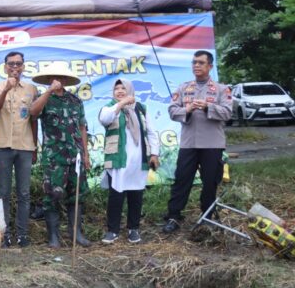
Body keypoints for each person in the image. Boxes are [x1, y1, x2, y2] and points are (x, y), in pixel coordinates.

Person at [162, 50, 232, 234]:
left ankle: (207, 216)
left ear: (210, 66)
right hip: (189, 144)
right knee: (181, 180)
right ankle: (174, 216)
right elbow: (171, 111)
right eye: (194, 63)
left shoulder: (222, 89)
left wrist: (209, 106)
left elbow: (227, 113)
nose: (196, 66)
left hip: (212, 144)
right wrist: (188, 109)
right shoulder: (183, 88)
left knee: (210, 182)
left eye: (201, 63)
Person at [29, 63, 91, 248]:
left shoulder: (75, 100)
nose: (58, 80)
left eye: (62, 77)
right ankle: (53, 237)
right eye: (54, 77)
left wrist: (86, 154)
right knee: (53, 195)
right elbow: (33, 112)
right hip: (54, 157)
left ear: (66, 80)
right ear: (49, 79)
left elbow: (82, 127)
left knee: (77, 194)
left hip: (76, 156)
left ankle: (76, 234)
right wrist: (48, 91)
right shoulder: (43, 99)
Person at [99, 79, 160, 244]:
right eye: (116, 88)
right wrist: (121, 104)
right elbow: (105, 119)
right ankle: (112, 230)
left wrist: (154, 153)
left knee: (136, 195)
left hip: (138, 160)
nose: (119, 91)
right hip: (119, 160)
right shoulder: (110, 107)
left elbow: (151, 132)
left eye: (123, 88)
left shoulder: (141, 108)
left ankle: (133, 229)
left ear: (130, 90)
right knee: (116, 196)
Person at [0, 51, 38, 248]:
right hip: (3, 147)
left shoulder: (31, 89)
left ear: (23, 66)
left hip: (25, 146)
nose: (15, 67)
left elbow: (34, 119)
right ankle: (4, 233)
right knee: (3, 192)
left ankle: (22, 234)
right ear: (5, 67)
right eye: (11, 64)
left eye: (18, 64)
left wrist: (35, 146)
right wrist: (6, 89)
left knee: (24, 192)